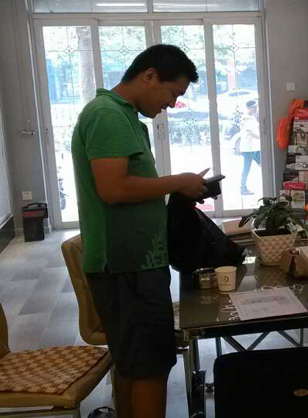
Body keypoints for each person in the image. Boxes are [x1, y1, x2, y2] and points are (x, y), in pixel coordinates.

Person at [71, 44, 208, 418]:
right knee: (149, 366)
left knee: (135, 363)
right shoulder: (107, 115)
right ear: (149, 76)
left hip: (134, 263)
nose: (171, 104)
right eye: (172, 93)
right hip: (126, 265)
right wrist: (177, 181)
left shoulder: (124, 116)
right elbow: (113, 189)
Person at [239, 99, 261, 196]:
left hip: (255, 147)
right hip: (248, 148)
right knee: (246, 169)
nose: (256, 108)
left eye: (256, 106)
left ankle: (265, 184)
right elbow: (251, 132)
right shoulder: (246, 118)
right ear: (249, 108)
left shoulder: (252, 117)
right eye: (254, 107)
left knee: (263, 164)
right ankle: (243, 188)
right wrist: (262, 138)